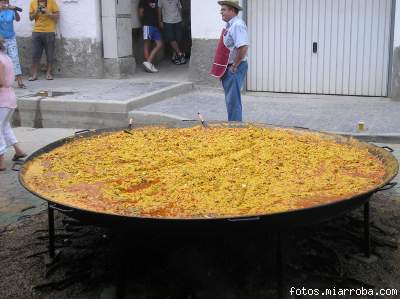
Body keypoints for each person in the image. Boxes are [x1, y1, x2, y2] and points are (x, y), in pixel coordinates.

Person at [211, 0, 248, 122]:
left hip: (234, 67)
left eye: (223, 9)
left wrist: (235, 65)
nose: (221, 12)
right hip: (231, 67)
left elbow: (243, 47)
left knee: (233, 101)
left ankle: (235, 129)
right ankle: (233, 127)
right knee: (231, 100)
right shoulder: (230, 25)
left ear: (232, 10)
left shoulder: (237, 25)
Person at [0, 37, 26, 171]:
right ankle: (18, 151)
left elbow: (0, 82)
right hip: (9, 97)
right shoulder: (6, 57)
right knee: (4, 126)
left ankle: (1, 162)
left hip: (2, 98)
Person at [29, 0, 60, 81]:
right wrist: (36, 11)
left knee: (49, 54)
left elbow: (57, 17)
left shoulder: (52, 2)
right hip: (36, 31)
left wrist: (48, 12)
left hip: (49, 31)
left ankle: (48, 73)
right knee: (35, 54)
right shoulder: (33, 2)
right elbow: (30, 18)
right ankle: (34, 74)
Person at [0, 0, 25, 88]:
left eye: (5, 2)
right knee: (2, 61)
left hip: (11, 38)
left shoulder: (10, 11)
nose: (4, 3)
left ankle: (20, 81)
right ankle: (3, 82)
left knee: (15, 59)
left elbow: (18, 19)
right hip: (1, 40)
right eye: (2, 2)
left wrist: (15, 10)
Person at [158, 0, 186, 65]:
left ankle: (174, 56)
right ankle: (180, 54)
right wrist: (159, 21)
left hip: (177, 20)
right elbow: (159, 9)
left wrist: (181, 19)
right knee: (171, 38)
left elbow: (179, 8)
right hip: (167, 21)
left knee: (178, 38)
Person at [139, 0, 163, 73]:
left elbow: (157, 11)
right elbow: (140, 13)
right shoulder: (142, 1)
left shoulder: (156, 0)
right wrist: (144, 23)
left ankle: (148, 62)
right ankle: (148, 63)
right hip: (147, 24)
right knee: (147, 43)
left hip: (155, 25)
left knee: (159, 44)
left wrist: (159, 22)